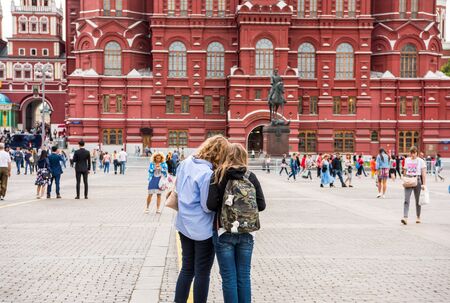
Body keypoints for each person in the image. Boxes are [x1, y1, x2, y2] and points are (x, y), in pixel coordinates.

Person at [207, 143, 266, 303]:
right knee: (244, 275)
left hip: (223, 231)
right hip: (247, 231)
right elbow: (261, 205)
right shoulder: (250, 176)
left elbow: (210, 205)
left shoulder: (217, 175)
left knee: (229, 278)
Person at [174, 135, 229, 303]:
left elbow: (176, 188)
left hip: (183, 223)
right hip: (202, 229)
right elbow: (207, 206)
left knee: (187, 268)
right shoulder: (207, 173)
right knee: (202, 272)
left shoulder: (186, 163)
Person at [401, 146, 427, 225]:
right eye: (411, 153)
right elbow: (405, 171)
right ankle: (405, 217)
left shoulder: (421, 161)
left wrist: (424, 184)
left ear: (417, 153)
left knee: (418, 201)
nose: (412, 155)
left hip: (417, 180)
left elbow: (423, 173)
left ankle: (418, 217)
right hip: (409, 180)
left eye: (414, 153)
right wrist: (404, 179)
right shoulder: (407, 160)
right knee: (406, 199)